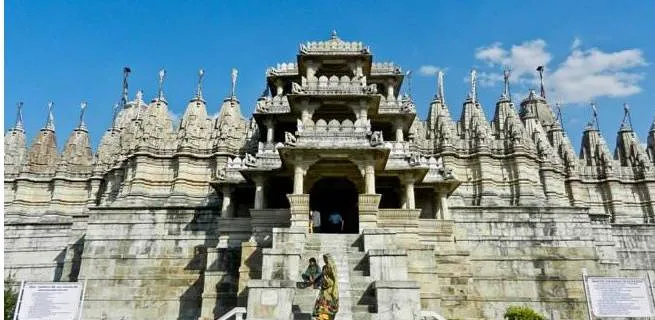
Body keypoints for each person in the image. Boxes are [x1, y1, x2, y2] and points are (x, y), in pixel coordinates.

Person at [312, 254, 339, 319]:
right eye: (324, 259)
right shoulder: (324, 267)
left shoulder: (332, 267)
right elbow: (322, 277)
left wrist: (334, 289)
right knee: (320, 306)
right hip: (324, 289)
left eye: (325, 258)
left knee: (329, 307)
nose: (324, 260)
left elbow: (334, 279)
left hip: (330, 289)